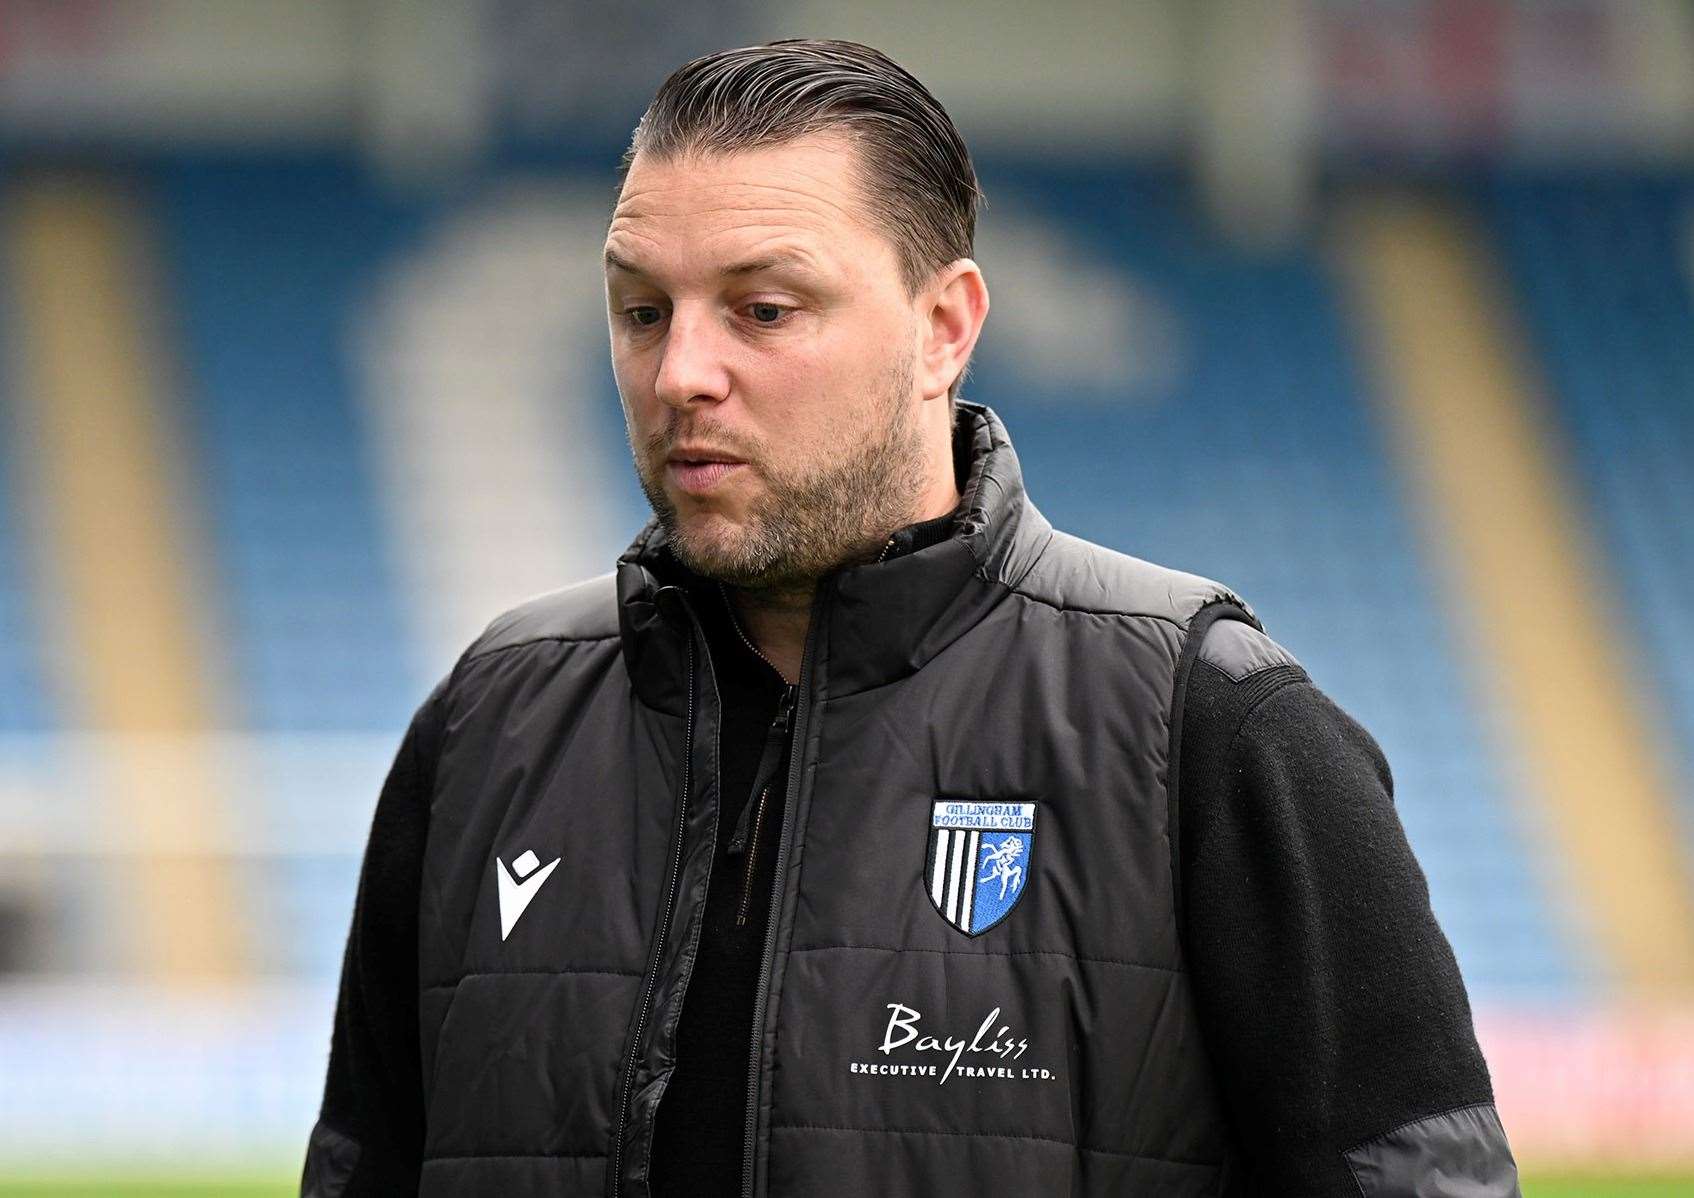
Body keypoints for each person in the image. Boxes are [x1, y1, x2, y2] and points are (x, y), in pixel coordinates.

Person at [303, 38, 1520, 1198]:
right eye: (640, 311)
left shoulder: (1209, 726)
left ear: (943, 328)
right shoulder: (484, 728)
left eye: (763, 309)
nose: (680, 373)